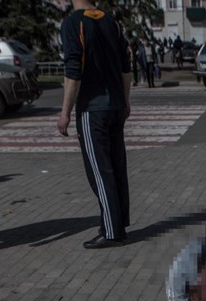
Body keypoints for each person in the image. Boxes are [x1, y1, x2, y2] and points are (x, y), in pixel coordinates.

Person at [58, 0, 132, 249]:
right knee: (116, 167)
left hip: (93, 109)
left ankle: (112, 231)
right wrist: (126, 100)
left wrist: (65, 112)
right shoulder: (111, 22)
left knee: (100, 172)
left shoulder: (73, 23)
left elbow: (73, 71)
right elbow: (125, 67)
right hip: (115, 106)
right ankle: (119, 223)